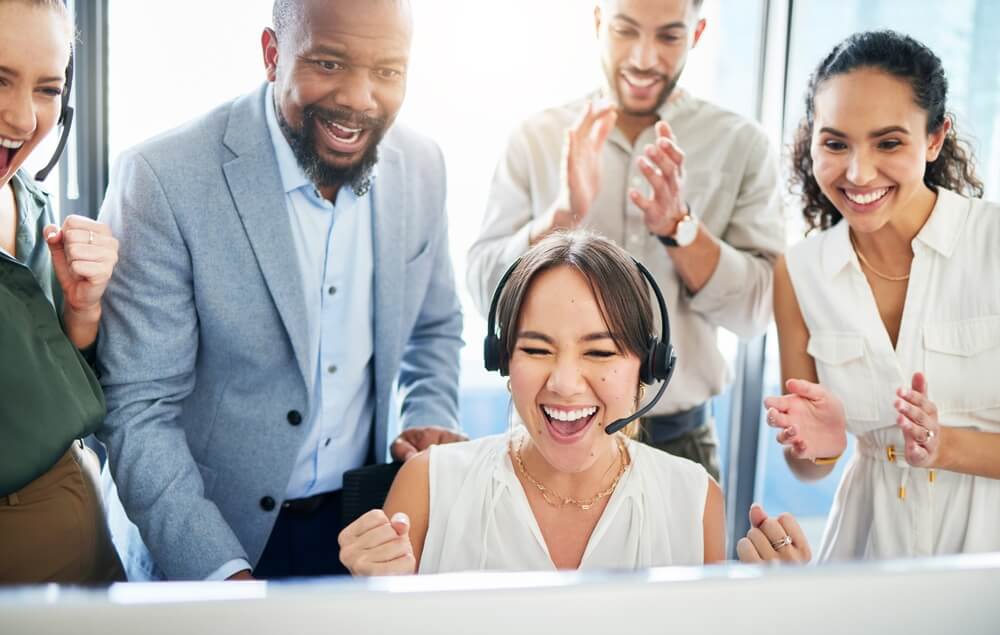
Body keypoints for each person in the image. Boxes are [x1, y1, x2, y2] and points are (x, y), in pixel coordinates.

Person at [96, 0, 464, 581]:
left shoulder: (423, 166)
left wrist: (425, 417)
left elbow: (434, 327)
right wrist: (220, 573)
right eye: (328, 63)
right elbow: (139, 410)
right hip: (210, 538)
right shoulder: (162, 178)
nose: (360, 98)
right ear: (273, 55)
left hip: (362, 534)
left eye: (388, 72)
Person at [466, 0, 785, 480]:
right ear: (598, 22)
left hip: (680, 444)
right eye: (625, 31)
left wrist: (681, 228)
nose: (643, 58)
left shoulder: (742, 145)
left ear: (696, 33)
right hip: (553, 434)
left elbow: (756, 311)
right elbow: (482, 290)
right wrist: (563, 212)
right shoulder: (537, 136)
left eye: (668, 37)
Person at [738, 31, 1000, 565]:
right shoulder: (800, 271)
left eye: (888, 143)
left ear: (934, 138)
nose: (858, 173)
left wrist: (945, 445)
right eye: (835, 144)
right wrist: (823, 441)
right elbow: (810, 465)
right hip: (867, 545)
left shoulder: (991, 244)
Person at [339, 231, 725, 575]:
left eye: (600, 352)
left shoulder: (694, 502)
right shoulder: (429, 484)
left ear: (648, 365)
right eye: (537, 349)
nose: (564, 384)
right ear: (502, 359)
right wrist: (378, 595)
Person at [0, 0, 122, 583]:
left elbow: (56, 367)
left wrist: (83, 307)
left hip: (83, 526)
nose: (24, 119)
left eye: (48, 89)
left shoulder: (30, 199)